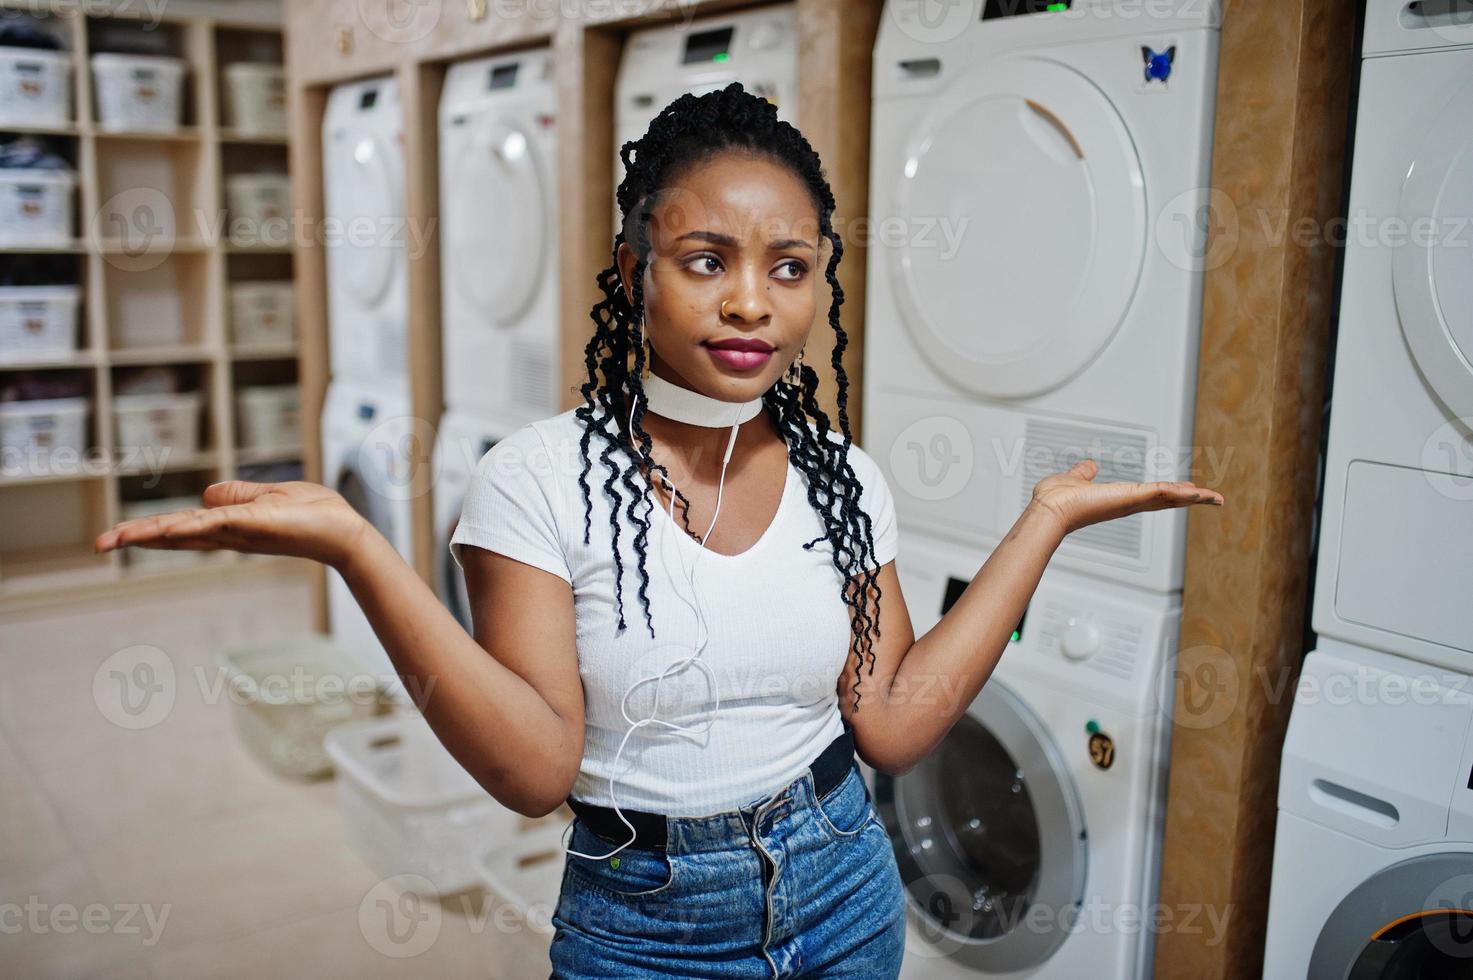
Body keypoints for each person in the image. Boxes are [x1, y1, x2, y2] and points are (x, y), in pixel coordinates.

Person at [94, 83, 1224, 978]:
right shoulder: (535, 481)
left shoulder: (845, 480)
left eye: (788, 268)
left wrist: (1042, 525)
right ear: (635, 273)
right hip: (645, 923)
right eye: (707, 261)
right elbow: (535, 769)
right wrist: (360, 546)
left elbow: (889, 723)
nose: (751, 303)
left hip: (846, 885)